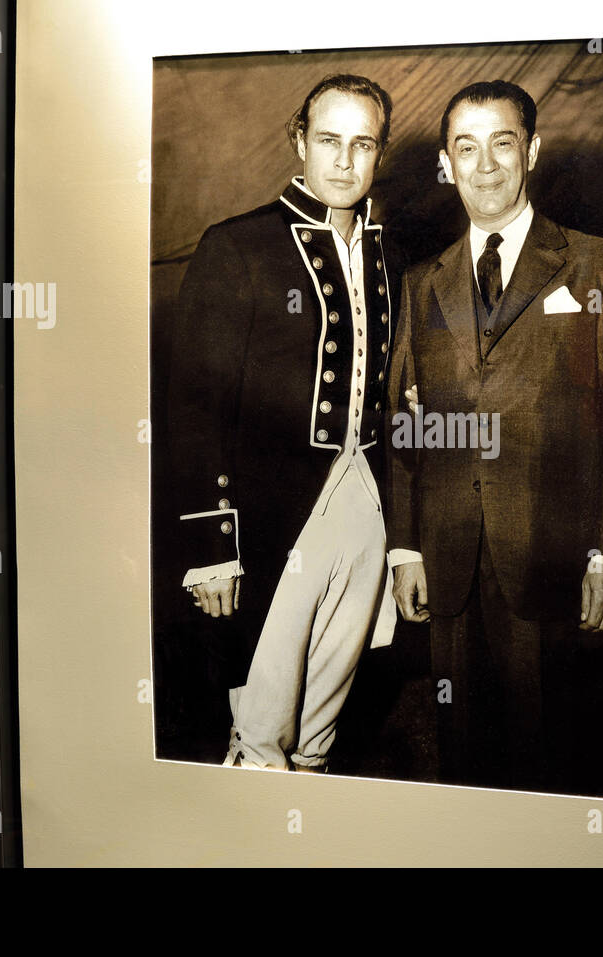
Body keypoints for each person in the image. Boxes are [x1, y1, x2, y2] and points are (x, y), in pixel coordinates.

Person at [385, 80, 603, 794]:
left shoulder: (602, 264)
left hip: (556, 559)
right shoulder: (422, 281)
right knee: (463, 756)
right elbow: (407, 422)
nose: (485, 165)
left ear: (531, 150)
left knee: (554, 760)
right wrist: (406, 545)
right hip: (450, 559)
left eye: (501, 143)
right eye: (465, 148)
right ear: (447, 163)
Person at [155, 74, 399, 772]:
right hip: (272, 517)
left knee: (322, 733)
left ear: (380, 151)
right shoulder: (237, 247)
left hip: (367, 510)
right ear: (298, 140)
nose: (345, 161)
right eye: (329, 140)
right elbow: (195, 403)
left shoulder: (393, 252)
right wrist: (211, 545)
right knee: (262, 731)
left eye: (364, 143)